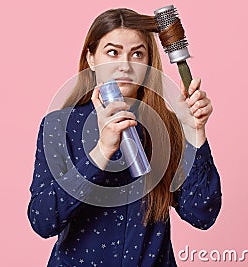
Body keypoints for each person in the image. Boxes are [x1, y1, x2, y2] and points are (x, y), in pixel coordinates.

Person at [27, 8, 222, 267]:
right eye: (112, 52)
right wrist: (101, 152)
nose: (125, 66)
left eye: (137, 54)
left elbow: (202, 214)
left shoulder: (167, 125)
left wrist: (194, 133)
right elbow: (42, 220)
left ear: (149, 62)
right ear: (91, 58)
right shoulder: (59, 127)